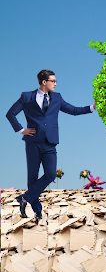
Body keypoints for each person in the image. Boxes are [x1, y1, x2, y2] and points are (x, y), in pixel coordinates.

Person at [6, 69, 96, 221]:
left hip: (50, 143)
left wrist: (91, 107)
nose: (55, 83)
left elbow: (72, 110)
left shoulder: (57, 97)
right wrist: (21, 130)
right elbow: (10, 113)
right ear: (44, 82)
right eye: (52, 81)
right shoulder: (27, 96)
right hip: (33, 142)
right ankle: (37, 212)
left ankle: (24, 198)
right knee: (32, 178)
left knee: (50, 174)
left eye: (55, 81)